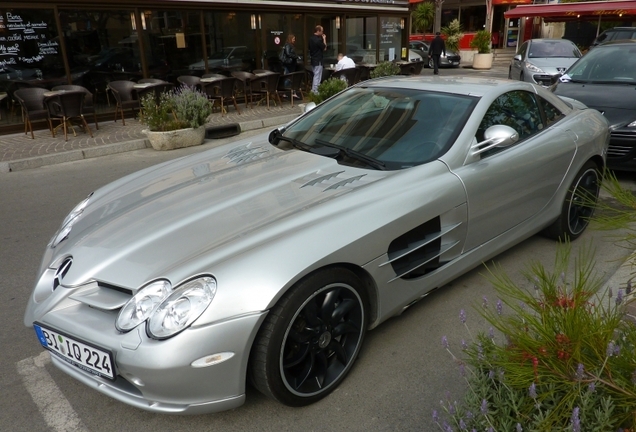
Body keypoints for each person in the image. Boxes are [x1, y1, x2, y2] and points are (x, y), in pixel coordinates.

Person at [308, 25, 327, 93]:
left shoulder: (311, 39)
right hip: (318, 60)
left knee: (315, 75)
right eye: (322, 31)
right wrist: (324, 38)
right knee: (317, 76)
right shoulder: (318, 40)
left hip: (313, 59)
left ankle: (314, 90)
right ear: (318, 31)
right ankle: (315, 91)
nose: (322, 33)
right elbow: (324, 48)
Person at [281, 34, 300, 98]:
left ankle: (291, 92)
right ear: (290, 39)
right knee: (288, 78)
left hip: (291, 64)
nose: (294, 40)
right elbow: (288, 53)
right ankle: (284, 92)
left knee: (291, 78)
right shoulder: (288, 45)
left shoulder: (290, 45)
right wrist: (296, 56)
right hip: (289, 64)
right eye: (293, 39)